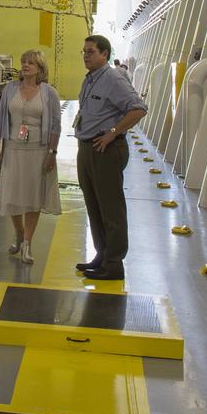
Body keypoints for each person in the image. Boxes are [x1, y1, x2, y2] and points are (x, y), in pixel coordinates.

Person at [74, 34, 147, 280]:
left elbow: (138, 109)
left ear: (104, 54)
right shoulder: (90, 79)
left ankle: (114, 263)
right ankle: (102, 254)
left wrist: (113, 132)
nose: (86, 56)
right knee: (94, 204)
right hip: (87, 147)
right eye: (84, 51)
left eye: (91, 52)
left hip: (106, 149)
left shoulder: (114, 79)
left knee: (110, 207)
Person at [0, 49, 61, 264]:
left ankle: (28, 243)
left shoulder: (49, 93)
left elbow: (55, 126)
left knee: (33, 198)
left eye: (31, 62)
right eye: (23, 62)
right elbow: (0, 118)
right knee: (12, 195)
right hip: (13, 149)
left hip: (38, 151)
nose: (25, 65)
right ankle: (19, 233)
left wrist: (52, 153)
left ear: (40, 68)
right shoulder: (10, 89)